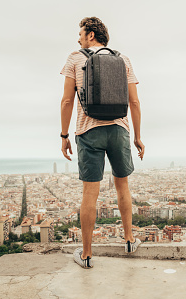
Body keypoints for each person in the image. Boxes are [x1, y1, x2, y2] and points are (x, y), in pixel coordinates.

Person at [60, 17, 144, 269]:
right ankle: (129, 240)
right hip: (119, 130)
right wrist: (137, 137)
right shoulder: (123, 59)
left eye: (81, 34)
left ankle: (86, 255)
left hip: (89, 131)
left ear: (92, 35)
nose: (78, 38)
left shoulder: (75, 58)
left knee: (90, 194)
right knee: (123, 187)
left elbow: (66, 101)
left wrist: (64, 135)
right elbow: (135, 102)